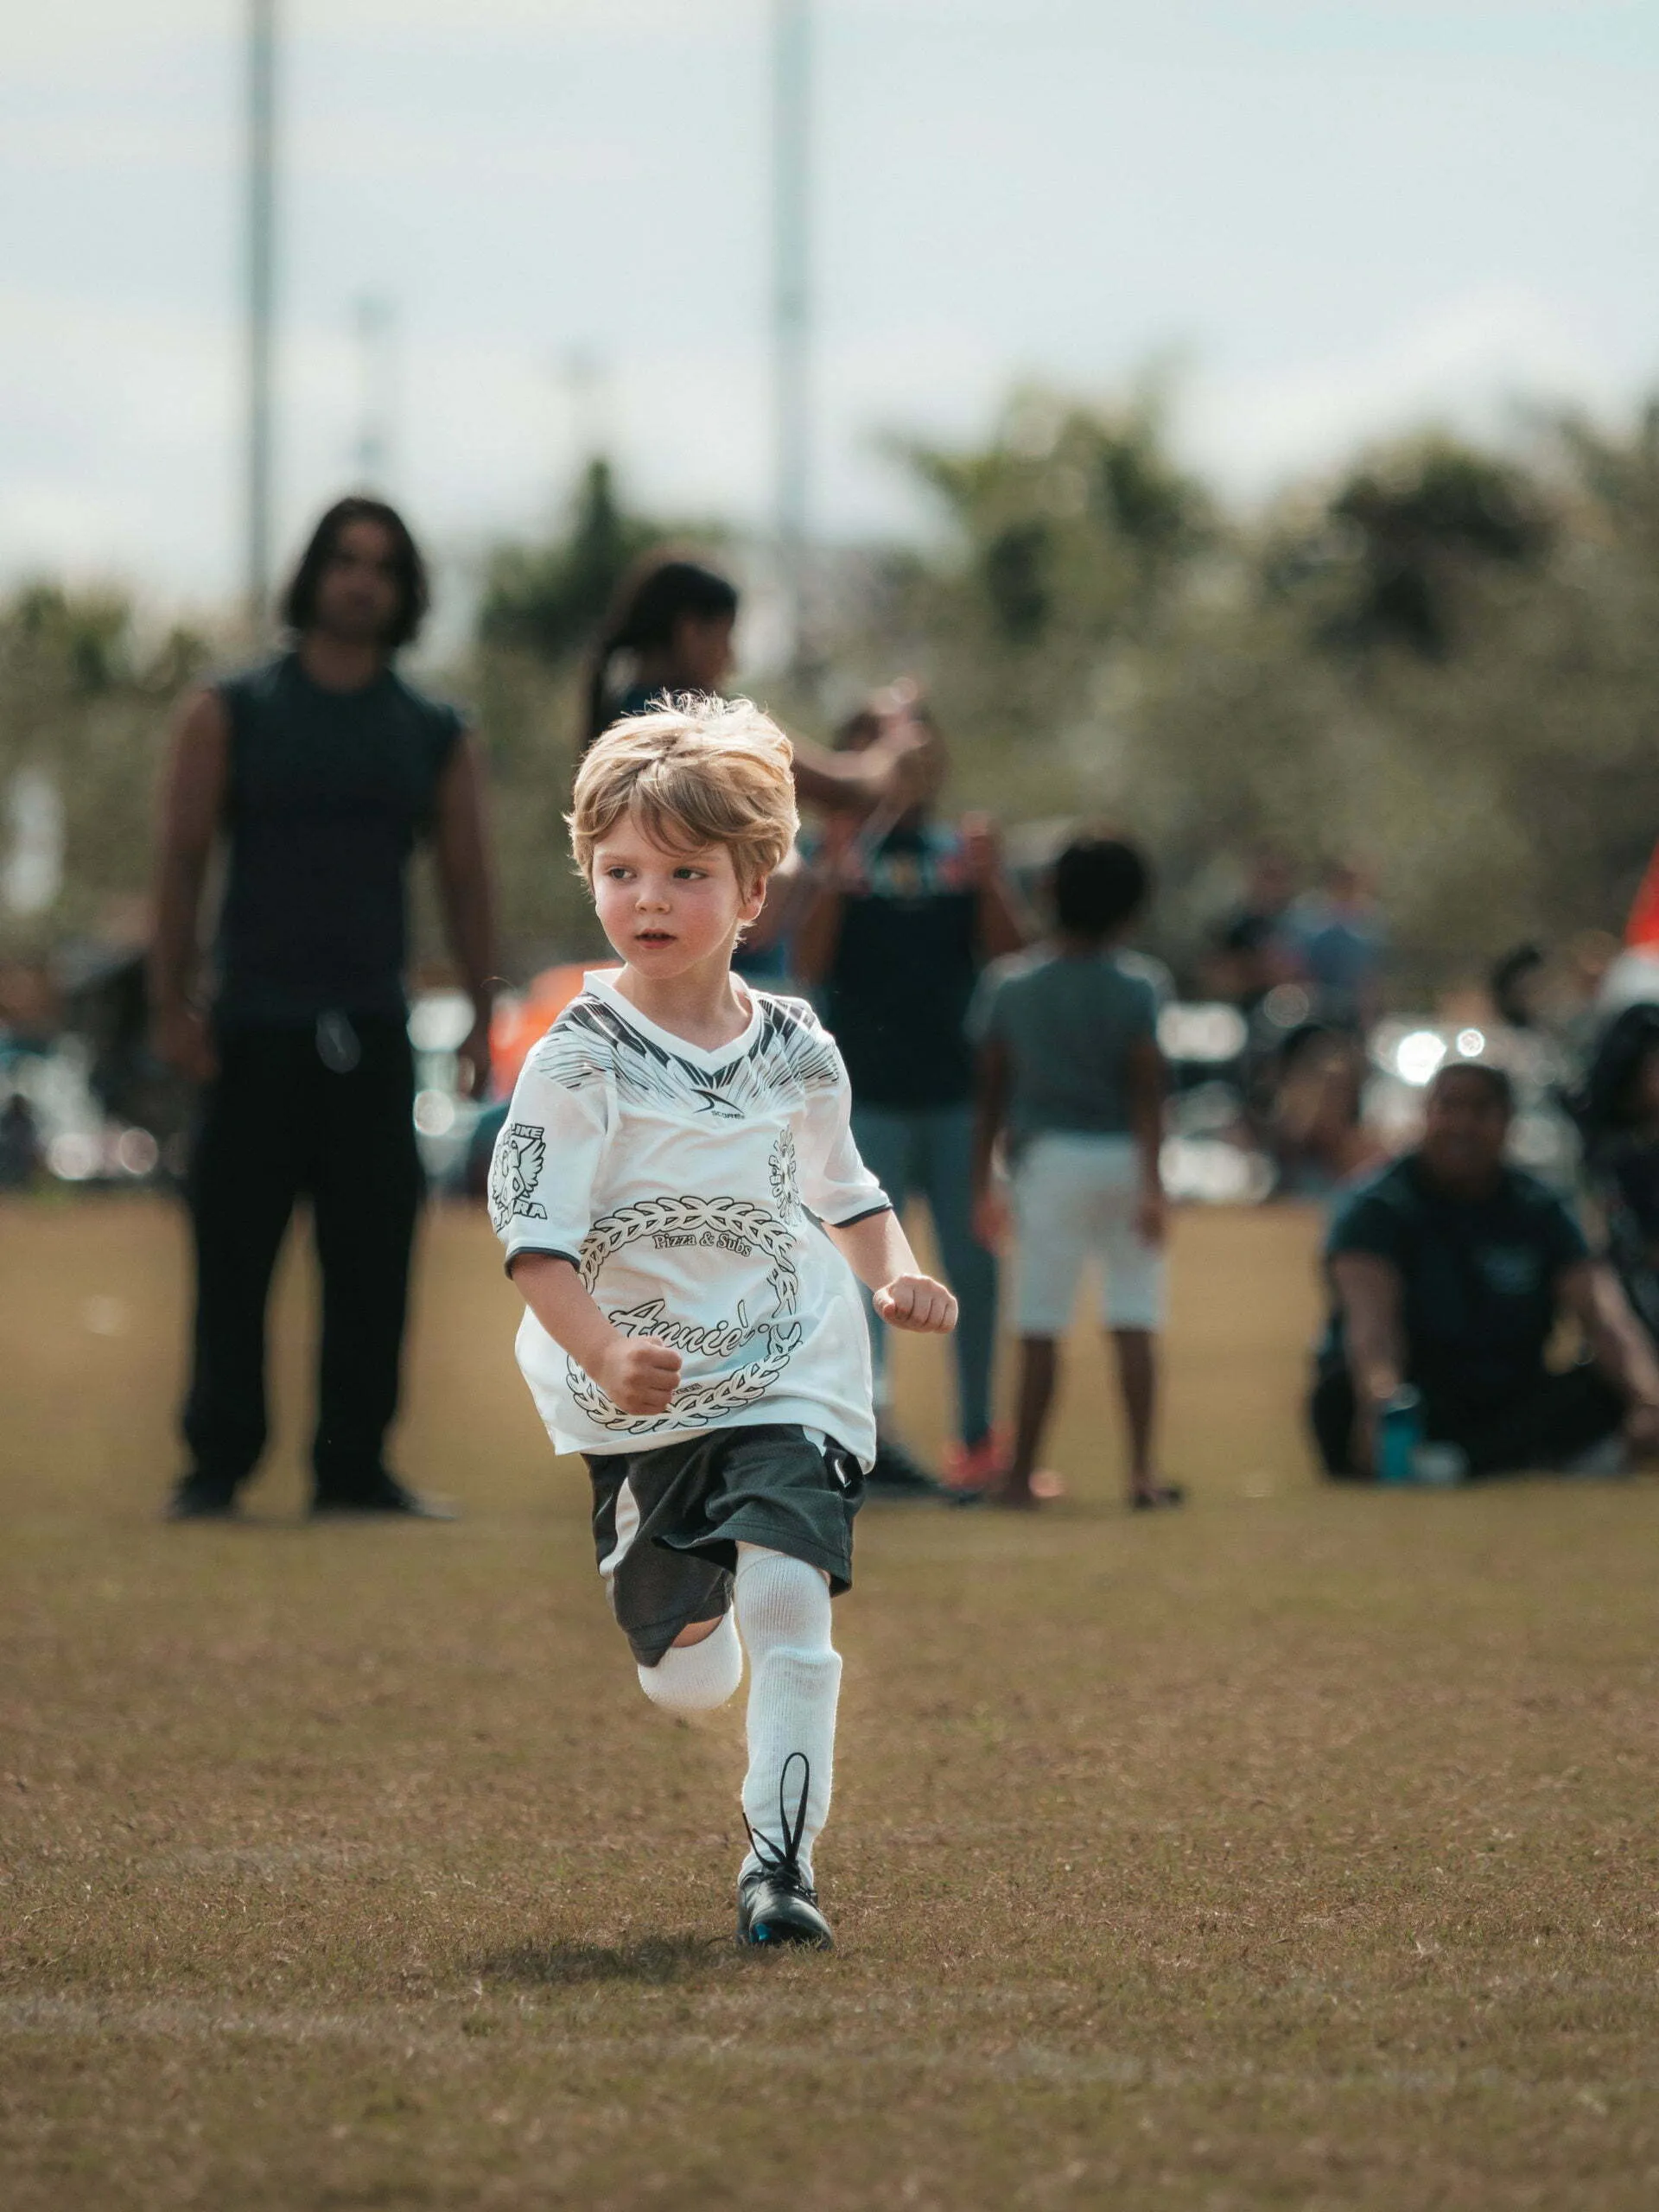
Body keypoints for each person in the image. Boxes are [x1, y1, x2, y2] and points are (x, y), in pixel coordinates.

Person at [492, 696, 955, 1948]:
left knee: (793, 1601)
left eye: (686, 873)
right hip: (639, 1395)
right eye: (621, 869)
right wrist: (602, 1349)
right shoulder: (575, 1052)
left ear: (756, 890)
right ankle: (670, 1605)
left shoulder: (800, 1046)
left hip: (790, 1367)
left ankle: (780, 1868)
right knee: (685, 1666)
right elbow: (533, 1242)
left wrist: (893, 1273)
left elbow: (845, 1188)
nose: (649, 897)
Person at [149, 496, 496, 1521]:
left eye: (382, 567)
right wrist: (173, 999)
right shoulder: (231, 709)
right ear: (313, 575)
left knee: (372, 1260)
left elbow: (469, 884)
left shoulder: (433, 731)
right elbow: (179, 861)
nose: (361, 581)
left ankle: (352, 1469)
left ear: (404, 592)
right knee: (234, 1255)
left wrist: (482, 1011)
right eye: (344, 561)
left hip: (373, 1030)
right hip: (251, 1027)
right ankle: (217, 1463)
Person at [791, 693, 1028, 1491]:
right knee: (867, 1284)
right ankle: (867, 1441)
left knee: (976, 1274)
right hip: (866, 1104)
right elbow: (811, 964)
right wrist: (836, 864)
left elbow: (1010, 959)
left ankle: (978, 1445)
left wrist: (992, 880)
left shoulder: (962, 853)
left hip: (956, 1098)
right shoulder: (833, 854)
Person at [1311, 1061, 1659, 1479]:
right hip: (1418, 1389)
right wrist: (1381, 1407)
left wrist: (1647, 1400)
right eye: (1448, 1107)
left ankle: (1458, 1464)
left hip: (1505, 1390)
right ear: (1426, 1114)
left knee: (1602, 1386)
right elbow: (1371, 1331)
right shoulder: (1377, 1207)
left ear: (1508, 1122)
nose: (1463, 1125)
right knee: (1337, 1398)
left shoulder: (1541, 1209)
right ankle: (1497, 1458)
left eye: (1480, 1110)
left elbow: (1606, 1319)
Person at [970, 833, 1178, 1511]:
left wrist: (982, 1181)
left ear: (1049, 893)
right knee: (1134, 1319)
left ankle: (1021, 1474)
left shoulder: (1012, 984)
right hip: (1122, 1157)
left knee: (1038, 1324)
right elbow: (1147, 1089)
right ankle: (1142, 1474)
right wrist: (1154, 1182)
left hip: (1048, 1164)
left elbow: (991, 1094)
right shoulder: (1140, 984)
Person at [1282, 860, 1388, 1033]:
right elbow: (1294, 963)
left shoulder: (1372, 922)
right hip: (1312, 1002)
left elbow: (1370, 975)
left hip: (1351, 1005)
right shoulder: (1308, 915)